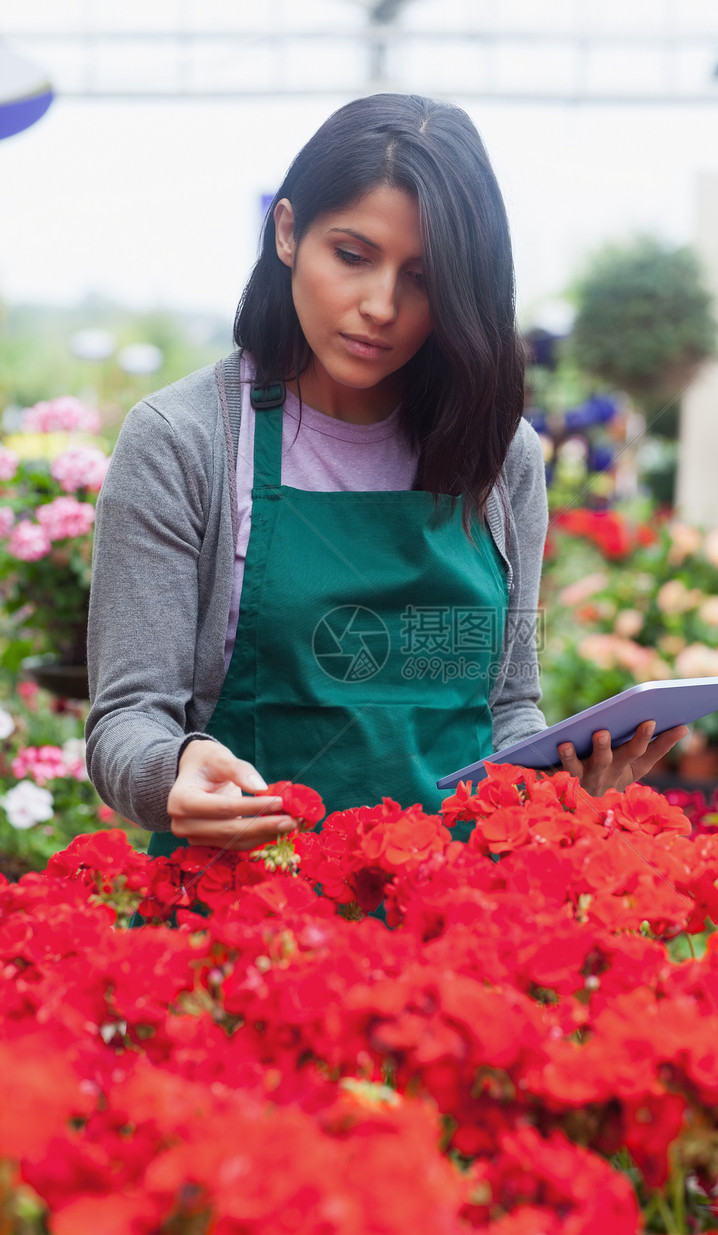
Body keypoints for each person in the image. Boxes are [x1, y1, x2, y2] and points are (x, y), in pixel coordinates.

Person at [85, 93, 684, 857]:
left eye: (424, 277)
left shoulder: (500, 456)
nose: (381, 306)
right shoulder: (184, 440)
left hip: (455, 923)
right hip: (248, 928)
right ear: (289, 232)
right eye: (353, 254)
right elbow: (127, 716)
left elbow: (508, 706)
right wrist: (165, 769)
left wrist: (567, 782)